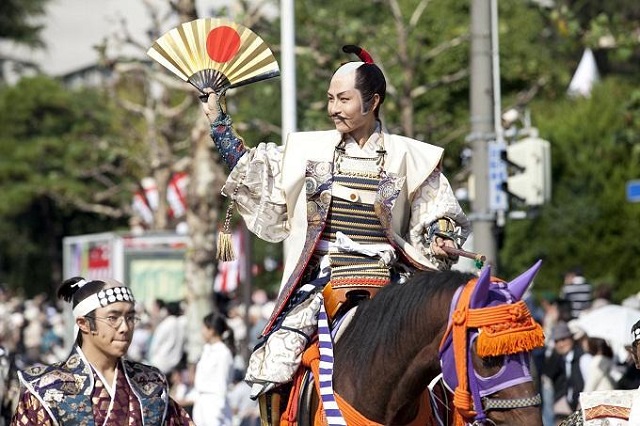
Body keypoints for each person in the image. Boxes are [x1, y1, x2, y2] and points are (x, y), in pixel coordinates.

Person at [203, 45, 471, 399]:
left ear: (372, 101)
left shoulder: (409, 155)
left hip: (391, 280)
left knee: (447, 365)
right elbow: (253, 168)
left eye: (343, 99)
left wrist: (441, 234)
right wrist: (218, 121)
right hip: (322, 280)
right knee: (275, 367)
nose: (333, 109)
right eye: (330, 99)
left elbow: (438, 209)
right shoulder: (308, 151)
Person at [10, 277, 194, 425]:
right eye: (113, 317)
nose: (125, 327)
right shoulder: (46, 388)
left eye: (130, 317)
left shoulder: (150, 382)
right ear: (83, 323)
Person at [192, 312, 235, 426]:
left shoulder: (223, 353)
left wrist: (218, 410)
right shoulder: (207, 350)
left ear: (212, 330)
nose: (202, 331)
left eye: (204, 328)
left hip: (215, 404)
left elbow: (222, 382)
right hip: (202, 403)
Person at [542, 321, 588, 425]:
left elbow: (589, 386)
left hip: (583, 408)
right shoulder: (561, 359)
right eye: (557, 341)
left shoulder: (583, 358)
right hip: (568, 407)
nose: (560, 344)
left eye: (563, 339)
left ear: (571, 339)